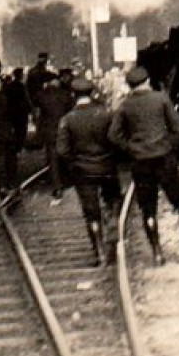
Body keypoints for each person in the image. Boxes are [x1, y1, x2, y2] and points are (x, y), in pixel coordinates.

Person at [108, 65, 179, 265]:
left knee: (148, 208)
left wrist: (131, 148)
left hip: (141, 162)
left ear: (129, 85)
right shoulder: (161, 98)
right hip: (164, 159)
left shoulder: (125, 105)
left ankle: (157, 252)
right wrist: (168, 145)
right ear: (147, 81)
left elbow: (113, 135)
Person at [55, 76, 125, 267]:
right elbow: (117, 139)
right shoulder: (106, 114)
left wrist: (73, 163)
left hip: (83, 171)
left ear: (73, 95)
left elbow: (62, 151)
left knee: (91, 211)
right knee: (113, 198)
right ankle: (113, 220)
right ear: (93, 93)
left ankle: (99, 253)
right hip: (107, 167)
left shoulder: (67, 119)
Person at [34, 67, 76, 201]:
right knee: (66, 155)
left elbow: (37, 113)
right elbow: (71, 112)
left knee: (53, 160)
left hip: (49, 131)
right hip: (64, 130)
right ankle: (70, 180)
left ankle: (57, 187)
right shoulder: (65, 94)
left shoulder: (40, 95)